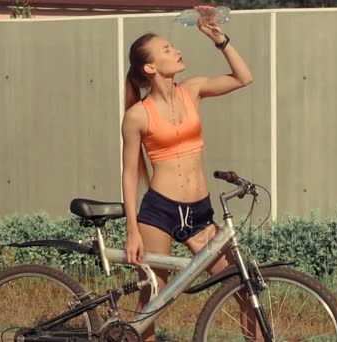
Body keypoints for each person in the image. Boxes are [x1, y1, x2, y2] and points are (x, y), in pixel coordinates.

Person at [121, 6, 254, 341]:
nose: (176, 51)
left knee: (242, 288)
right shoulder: (137, 115)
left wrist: (219, 39)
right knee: (153, 300)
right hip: (159, 211)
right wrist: (132, 231)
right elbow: (128, 174)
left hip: (199, 212)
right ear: (150, 67)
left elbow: (243, 77)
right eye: (167, 49)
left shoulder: (192, 90)